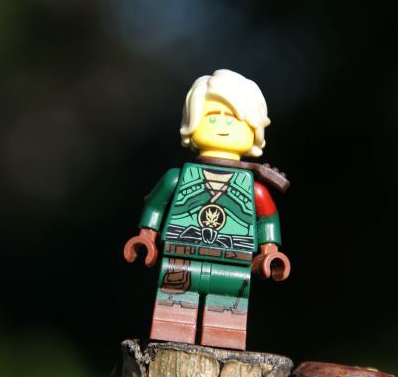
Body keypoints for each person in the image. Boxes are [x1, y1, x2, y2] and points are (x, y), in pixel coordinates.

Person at [124, 69, 290, 350]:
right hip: (181, 257)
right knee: (173, 311)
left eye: (234, 119)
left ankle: (221, 343)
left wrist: (270, 251)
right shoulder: (177, 178)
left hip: (233, 261)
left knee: (226, 316)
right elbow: (156, 205)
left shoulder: (254, 188)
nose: (222, 125)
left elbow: (267, 219)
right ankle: (172, 342)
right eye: (212, 117)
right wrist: (146, 237)